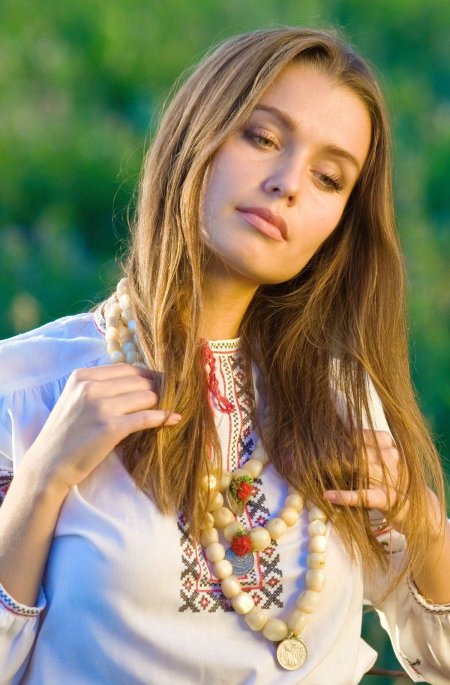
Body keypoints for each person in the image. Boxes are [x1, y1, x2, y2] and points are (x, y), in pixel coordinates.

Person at [0, 26, 449, 685]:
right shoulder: (26, 388)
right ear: (196, 135)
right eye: (262, 138)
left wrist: (426, 527)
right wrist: (41, 482)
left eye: (329, 178)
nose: (289, 183)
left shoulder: (341, 402)